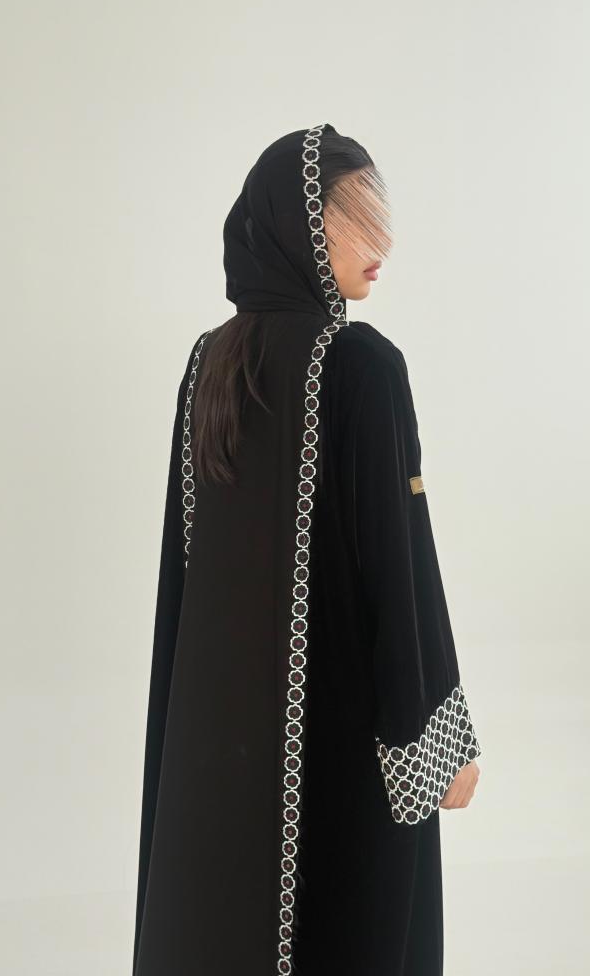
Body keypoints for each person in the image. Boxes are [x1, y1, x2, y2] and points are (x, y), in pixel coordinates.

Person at [132, 122, 482, 976]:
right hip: (349, 750)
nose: (379, 243)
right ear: (296, 227)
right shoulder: (362, 366)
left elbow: (183, 582)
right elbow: (400, 570)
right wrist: (436, 741)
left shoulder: (210, 365)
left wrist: (181, 754)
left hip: (223, 754)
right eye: (351, 215)